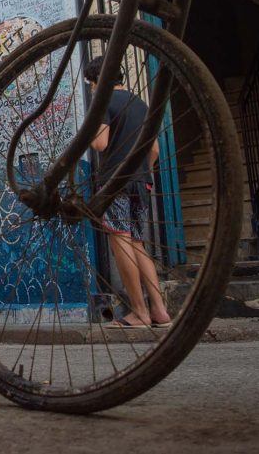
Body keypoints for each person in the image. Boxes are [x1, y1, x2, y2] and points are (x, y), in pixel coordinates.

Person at [84, 56, 171, 329]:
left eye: (90, 83)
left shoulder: (104, 102)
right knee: (137, 242)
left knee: (119, 238)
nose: (90, 89)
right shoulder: (142, 104)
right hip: (141, 180)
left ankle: (138, 312)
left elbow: (100, 143)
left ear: (97, 80)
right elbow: (154, 150)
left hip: (115, 181)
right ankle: (159, 311)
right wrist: (141, 171)